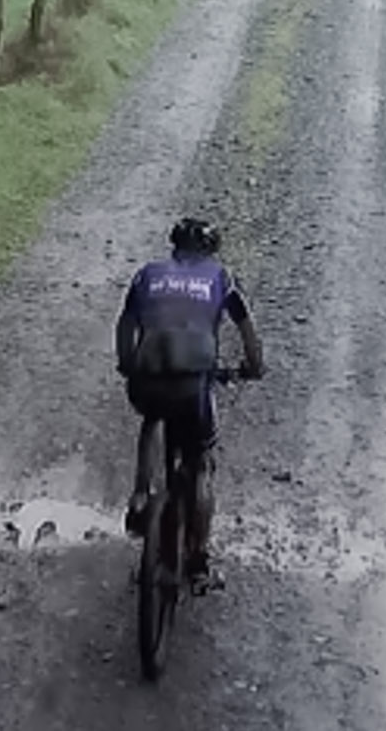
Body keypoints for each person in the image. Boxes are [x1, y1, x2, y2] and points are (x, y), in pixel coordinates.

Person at [114, 216, 264, 582]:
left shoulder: (147, 274)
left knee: (152, 416)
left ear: (174, 247)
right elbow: (247, 329)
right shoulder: (220, 278)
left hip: (147, 378)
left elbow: (126, 325)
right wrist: (253, 367)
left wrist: (127, 363)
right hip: (193, 383)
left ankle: (139, 493)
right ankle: (198, 557)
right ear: (211, 251)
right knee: (200, 462)